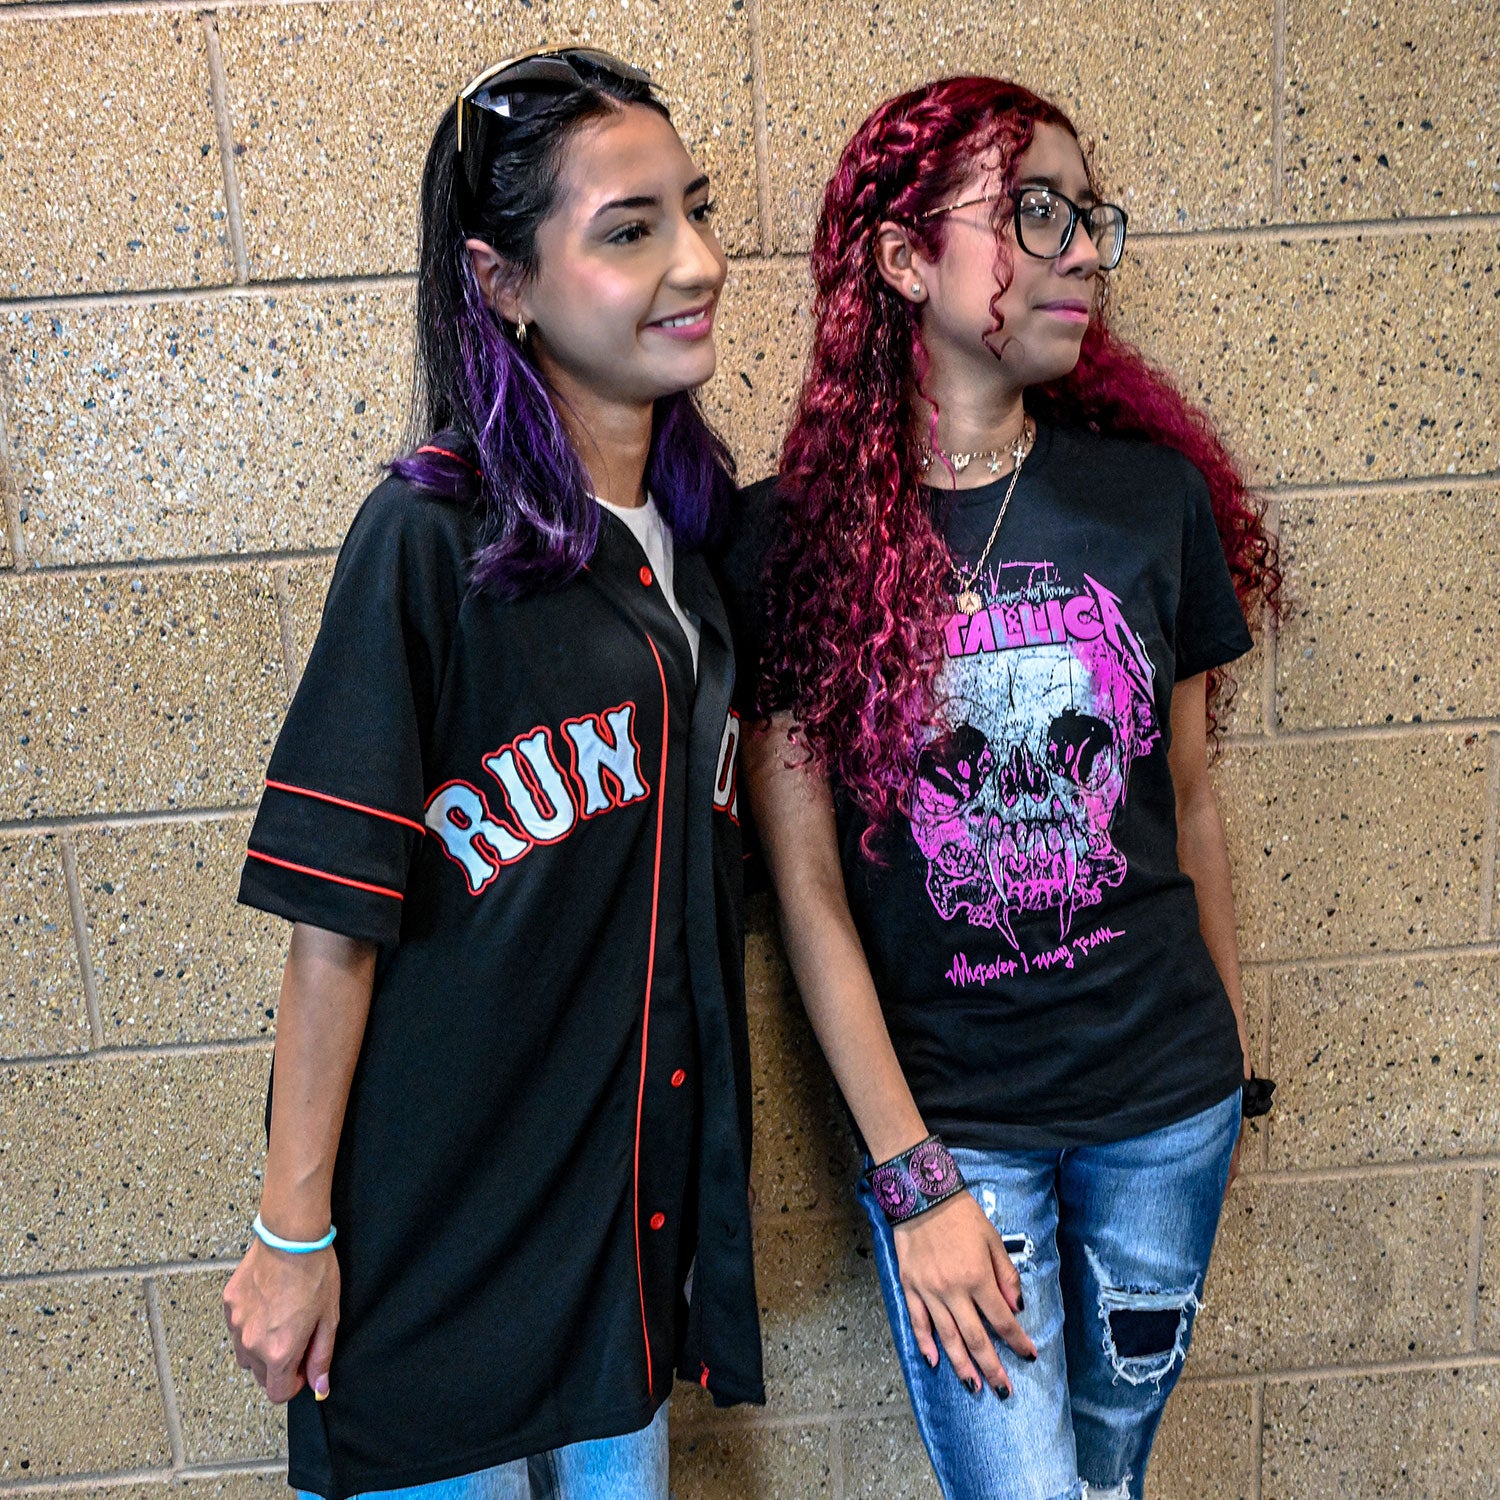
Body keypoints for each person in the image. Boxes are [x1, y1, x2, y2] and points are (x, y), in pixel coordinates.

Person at [725, 77, 1279, 1500]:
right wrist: (913, 1178)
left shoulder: (1148, 502)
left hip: (1166, 1113)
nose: (1081, 249)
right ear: (905, 258)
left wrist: (1223, 1069)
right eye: (1033, 212)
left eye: (1089, 217)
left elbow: (1190, 802)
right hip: (957, 1134)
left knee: (1109, 1476)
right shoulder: (790, 545)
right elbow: (807, 890)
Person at [222, 47, 763, 1500]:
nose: (698, 262)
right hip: (435, 1283)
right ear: (503, 282)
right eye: (629, 229)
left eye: (695, 210)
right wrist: (289, 1234)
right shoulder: (429, 541)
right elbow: (333, 921)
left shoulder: (702, 552)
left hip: (617, 1290)